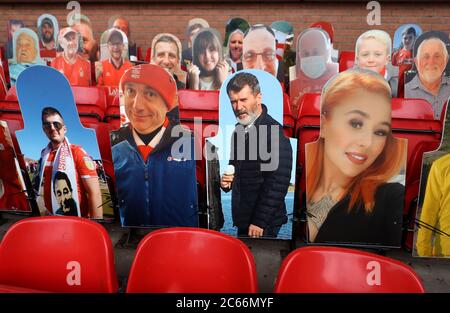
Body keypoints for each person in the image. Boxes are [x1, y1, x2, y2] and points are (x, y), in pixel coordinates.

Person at [305, 69, 406, 246]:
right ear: (325, 122)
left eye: (380, 132)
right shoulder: (297, 186)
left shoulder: (390, 197)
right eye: (356, 123)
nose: (367, 142)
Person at [111, 64, 198, 227]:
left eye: (150, 94)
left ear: (168, 103)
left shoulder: (190, 145)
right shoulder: (116, 148)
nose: (137, 106)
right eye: (130, 91)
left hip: (179, 238)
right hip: (135, 241)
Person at [220, 72, 292, 238]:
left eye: (243, 100)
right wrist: (227, 183)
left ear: (258, 98)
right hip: (245, 219)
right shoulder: (238, 131)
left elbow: (277, 182)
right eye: (234, 101)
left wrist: (260, 221)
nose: (238, 107)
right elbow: (236, 170)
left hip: (262, 224)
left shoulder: (273, 132)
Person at [36, 107, 103, 218]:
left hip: (77, 219)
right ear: (44, 129)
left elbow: (94, 193)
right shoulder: (44, 154)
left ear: (64, 129)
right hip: (50, 216)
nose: (52, 128)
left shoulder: (77, 153)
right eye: (47, 125)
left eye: (56, 124)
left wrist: (96, 225)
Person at [289, 28, 338, 114]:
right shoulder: (294, 85)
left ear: (326, 53)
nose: (311, 58)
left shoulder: (338, 82)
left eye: (316, 52)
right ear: (300, 56)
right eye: (306, 54)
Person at [405, 37, 450, 120]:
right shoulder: (403, 93)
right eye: (426, 57)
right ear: (416, 62)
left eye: (437, 56)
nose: (431, 62)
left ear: (446, 60)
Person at [416, 153, 450, 257]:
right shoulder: (441, 166)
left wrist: (423, 251)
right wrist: (424, 251)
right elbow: (429, 212)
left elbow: (428, 212)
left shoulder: (442, 165)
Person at [355, 30, 399, 97]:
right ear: (357, 59)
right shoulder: (348, 83)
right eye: (365, 54)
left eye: (377, 54)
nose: (371, 60)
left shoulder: (397, 84)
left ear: (387, 59)